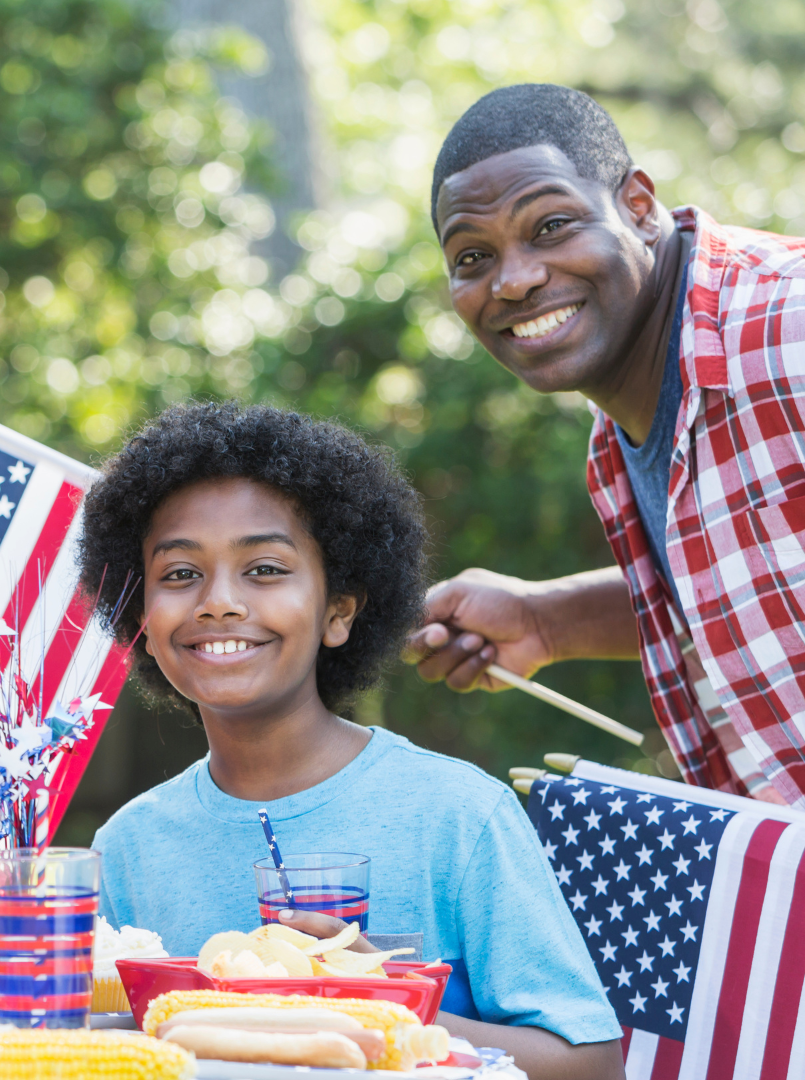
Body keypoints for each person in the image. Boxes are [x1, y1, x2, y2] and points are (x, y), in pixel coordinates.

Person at [81, 402, 623, 1080]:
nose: (218, 601)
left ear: (338, 611)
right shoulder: (129, 847)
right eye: (180, 574)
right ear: (142, 619)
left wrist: (379, 1001)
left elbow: (591, 1064)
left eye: (266, 569)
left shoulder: (457, 815)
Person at [410, 83, 805, 806]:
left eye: (552, 225)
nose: (516, 279)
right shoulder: (622, 424)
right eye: (471, 257)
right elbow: (750, 587)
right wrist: (543, 620)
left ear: (638, 208)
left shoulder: (786, 325)